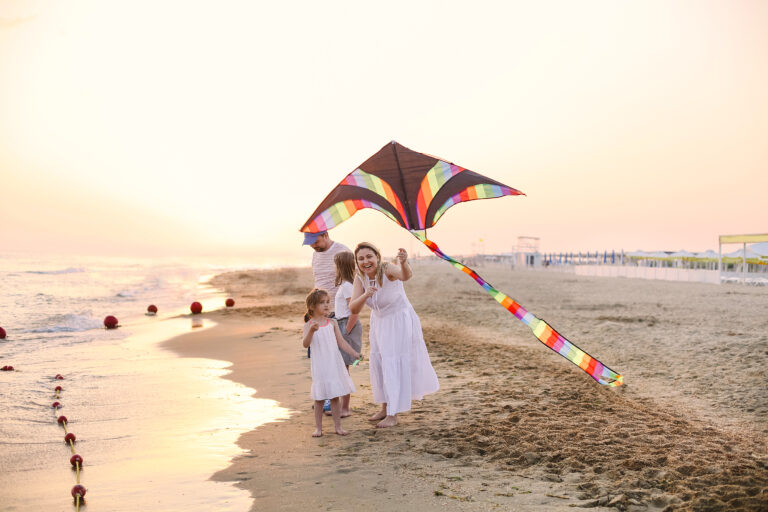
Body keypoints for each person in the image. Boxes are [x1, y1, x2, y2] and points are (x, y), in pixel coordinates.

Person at [348, 242, 439, 428]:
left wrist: (404, 263)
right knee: (380, 363)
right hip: (379, 322)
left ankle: (393, 414)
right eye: (361, 258)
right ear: (357, 262)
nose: (366, 261)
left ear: (377, 257)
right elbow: (353, 307)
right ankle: (384, 407)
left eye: (369, 257)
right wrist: (365, 294)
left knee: (392, 363)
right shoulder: (360, 278)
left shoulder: (387, 269)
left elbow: (405, 276)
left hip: (398, 320)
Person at [302, 288, 362, 437]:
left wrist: (354, 353)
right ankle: (318, 428)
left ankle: (338, 427)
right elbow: (305, 344)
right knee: (320, 398)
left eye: (327, 302)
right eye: (322, 303)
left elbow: (341, 342)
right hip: (321, 365)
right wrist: (311, 331)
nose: (326, 305)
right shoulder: (309, 324)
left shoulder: (332, 322)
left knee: (335, 396)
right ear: (312, 306)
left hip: (334, 363)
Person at [303, 230, 351, 413]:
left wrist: (345, 313)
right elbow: (318, 282)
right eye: (309, 243)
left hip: (336, 312)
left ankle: (337, 401)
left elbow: (349, 281)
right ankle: (325, 397)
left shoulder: (341, 251)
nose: (313, 246)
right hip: (318, 312)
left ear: (325, 234)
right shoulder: (316, 255)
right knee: (319, 356)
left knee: (338, 359)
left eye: (315, 241)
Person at [333, 251, 362, 417]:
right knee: (342, 367)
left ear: (341, 266)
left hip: (346, 325)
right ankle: (341, 407)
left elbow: (354, 311)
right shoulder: (345, 285)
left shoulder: (347, 286)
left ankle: (345, 408)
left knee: (344, 368)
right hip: (342, 323)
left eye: (335, 264)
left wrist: (347, 330)